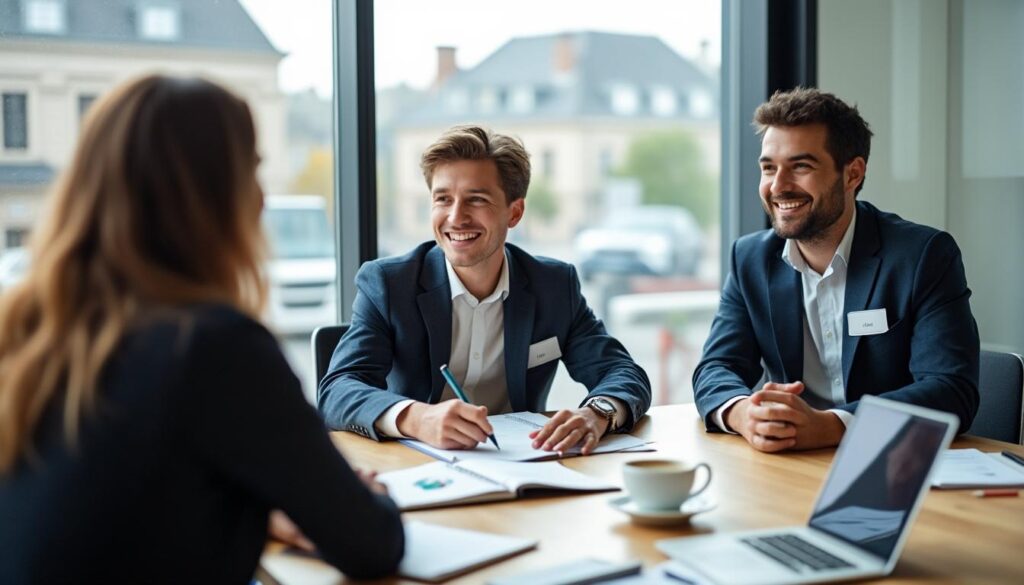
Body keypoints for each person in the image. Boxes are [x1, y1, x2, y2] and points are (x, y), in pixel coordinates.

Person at [0, 75, 403, 583]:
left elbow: (130, 503)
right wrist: (373, 498)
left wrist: (256, 507)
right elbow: (371, 544)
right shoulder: (213, 346)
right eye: (250, 172)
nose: (261, 199)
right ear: (208, 195)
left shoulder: (27, 326)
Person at [318, 125, 651, 454]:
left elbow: (622, 372)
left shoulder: (553, 285)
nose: (455, 217)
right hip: (414, 467)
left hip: (522, 467)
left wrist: (597, 414)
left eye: (475, 200)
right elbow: (338, 390)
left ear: (514, 212)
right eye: (443, 199)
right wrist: (418, 418)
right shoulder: (389, 284)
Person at [692, 87, 978, 453]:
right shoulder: (750, 259)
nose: (778, 186)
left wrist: (833, 425)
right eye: (768, 168)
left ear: (852, 174)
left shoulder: (922, 256)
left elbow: (951, 390)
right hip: (791, 464)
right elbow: (715, 367)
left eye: (801, 166)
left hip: (891, 463)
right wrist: (743, 412)